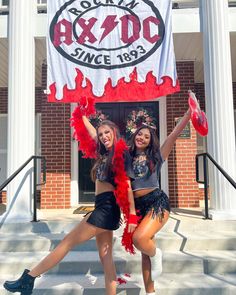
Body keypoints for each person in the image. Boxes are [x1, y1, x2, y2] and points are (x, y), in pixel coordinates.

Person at [3, 119, 137, 295]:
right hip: (103, 208)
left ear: (114, 131)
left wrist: (133, 215)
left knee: (66, 243)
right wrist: (81, 115)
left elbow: (126, 183)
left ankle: (29, 279)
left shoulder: (120, 153)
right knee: (106, 258)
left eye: (107, 132)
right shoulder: (105, 153)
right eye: (101, 134)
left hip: (105, 210)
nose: (103, 137)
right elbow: (92, 133)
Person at [129, 108, 192, 295]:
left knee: (139, 239)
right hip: (139, 206)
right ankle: (151, 292)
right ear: (134, 135)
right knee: (144, 252)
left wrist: (188, 114)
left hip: (157, 202)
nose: (141, 137)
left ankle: (158, 254)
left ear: (151, 141)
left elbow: (173, 135)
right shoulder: (126, 158)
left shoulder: (156, 157)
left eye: (146, 137)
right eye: (139, 134)